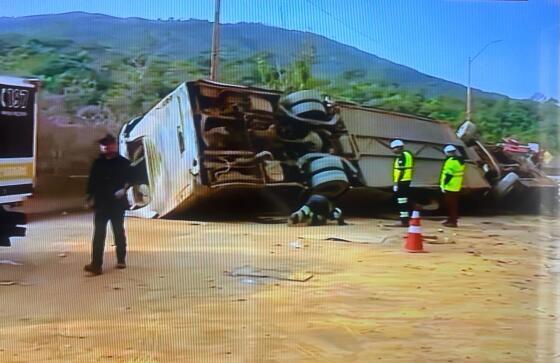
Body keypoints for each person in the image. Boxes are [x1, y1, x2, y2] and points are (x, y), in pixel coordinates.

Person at [84, 134, 133, 275]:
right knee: (99, 234)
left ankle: (121, 259)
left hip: (117, 204)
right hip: (101, 204)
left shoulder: (123, 163)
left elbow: (131, 179)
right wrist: (89, 197)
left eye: (109, 145)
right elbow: (91, 181)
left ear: (115, 146)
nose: (106, 147)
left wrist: (124, 190)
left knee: (118, 231)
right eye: (104, 145)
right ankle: (96, 265)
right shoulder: (97, 163)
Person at [390, 139, 415, 227]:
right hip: (406, 180)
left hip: (402, 181)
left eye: (394, 148)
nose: (393, 150)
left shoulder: (402, 157)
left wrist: (396, 183)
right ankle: (406, 219)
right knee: (405, 200)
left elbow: (401, 171)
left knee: (402, 201)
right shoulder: (408, 154)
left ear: (398, 148)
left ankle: (404, 221)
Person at [440, 144, 465, 228]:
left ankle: (453, 222)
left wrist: (443, 185)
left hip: (450, 186)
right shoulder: (460, 161)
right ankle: (450, 220)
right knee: (452, 205)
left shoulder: (451, 161)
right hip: (456, 185)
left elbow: (449, 175)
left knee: (451, 206)